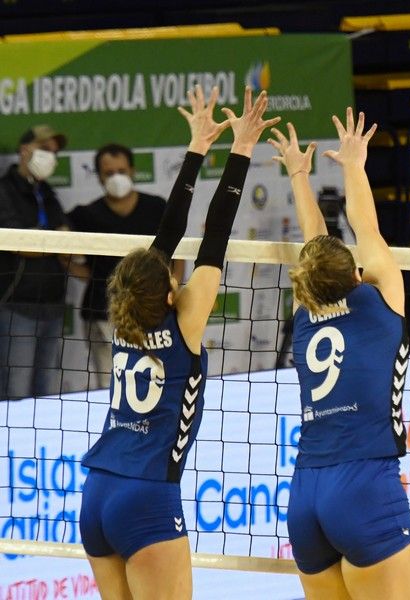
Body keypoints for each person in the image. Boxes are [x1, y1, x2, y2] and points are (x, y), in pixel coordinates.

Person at [78, 85, 279, 599]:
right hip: (146, 499)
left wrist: (197, 147)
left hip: (97, 494)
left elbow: (166, 236)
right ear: (168, 291)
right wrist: (240, 148)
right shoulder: (186, 322)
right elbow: (215, 233)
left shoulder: (123, 316)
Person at [268, 108, 410, 600]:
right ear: (357, 274)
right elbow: (366, 227)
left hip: (306, 493)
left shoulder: (302, 313)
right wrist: (353, 164)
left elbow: (314, 245)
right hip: (366, 487)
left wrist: (298, 173)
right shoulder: (380, 304)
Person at [68, 143, 183, 389]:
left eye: (121, 170)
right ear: (98, 175)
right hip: (102, 312)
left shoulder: (157, 208)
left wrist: (172, 291)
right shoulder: (85, 215)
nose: (116, 177)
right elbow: (61, 252)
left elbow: (178, 255)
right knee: (110, 384)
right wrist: (95, 276)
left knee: (157, 381)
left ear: (132, 170)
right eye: (108, 173)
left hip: (153, 312)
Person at [0, 124, 70, 400]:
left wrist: (46, 240)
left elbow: (68, 240)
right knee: (16, 389)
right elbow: (22, 245)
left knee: (45, 391)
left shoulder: (48, 193)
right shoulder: (4, 191)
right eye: (44, 149)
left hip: (53, 305)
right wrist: (52, 240)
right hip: (17, 305)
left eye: (54, 151)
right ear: (24, 150)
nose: (50, 156)